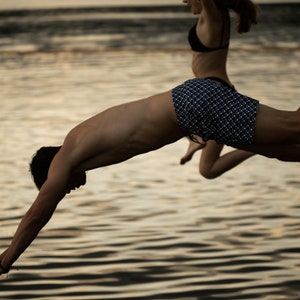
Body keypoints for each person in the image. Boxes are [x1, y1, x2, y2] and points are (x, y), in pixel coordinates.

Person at [1, 76, 300, 274]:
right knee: (282, 150)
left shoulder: (64, 158)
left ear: (51, 168)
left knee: (294, 126)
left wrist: (6, 260)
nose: (69, 190)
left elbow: (37, 215)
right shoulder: (77, 144)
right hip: (192, 110)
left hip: (191, 107)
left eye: (62, 190)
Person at [180, 0, 259, 178]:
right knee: (207, 169)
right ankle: (257, 149)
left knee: (176, 108)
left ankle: (197, 138)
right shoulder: (211, 16)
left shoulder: (213, 16)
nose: (184, 0)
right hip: (218, 91)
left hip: (212, 93)